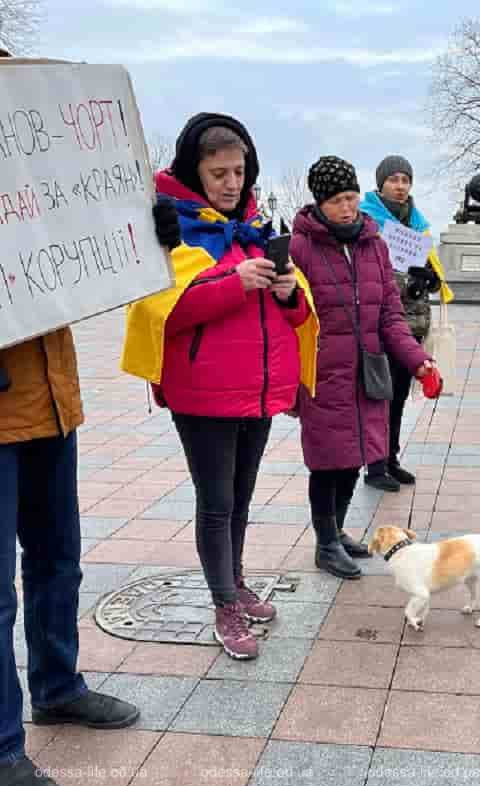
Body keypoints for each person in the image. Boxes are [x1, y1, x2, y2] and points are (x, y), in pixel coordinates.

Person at [0, 52, 152, 786]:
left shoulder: (34, 106)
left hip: (48, 394)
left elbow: (67, 227)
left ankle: (58, 687)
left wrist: (138, 232)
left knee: (58, 557)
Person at [122, 114, 318, 660]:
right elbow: (163, 312)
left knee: (242, 498)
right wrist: (235, 286)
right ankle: (224, 605)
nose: (233, 183)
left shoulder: (256, 225)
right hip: (203, 395)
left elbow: (299, 310)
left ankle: (235, 581)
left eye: (240, 171)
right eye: (219, 173)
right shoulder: (168, 228)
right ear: (194, 172)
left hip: (257, 392)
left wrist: (284, 292)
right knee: (216, 501)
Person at [290, 156, 436, 580]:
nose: (348, 207)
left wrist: (418, 360)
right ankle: (325, 543)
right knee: (326, 460)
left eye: (352, 197)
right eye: (337, 200)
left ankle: (336, 531)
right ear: (319, 202)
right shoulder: (300, 247)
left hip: (369, 371)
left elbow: (390, 314)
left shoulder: (374, 244)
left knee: (355, 456)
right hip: (322, 372)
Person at [360, 155, 452, 491]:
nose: (400, 187)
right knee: (379, 397)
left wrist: (429, 279)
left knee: (397, 395)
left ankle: (390, 458)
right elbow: (368, 274)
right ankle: (374, 466)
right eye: (394, 179)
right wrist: (404, 282)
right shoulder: (368, 220)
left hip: (410, 324)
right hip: (379, 323)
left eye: (406, 180)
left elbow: (430, 269)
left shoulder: (417, 223)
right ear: (381, 182)